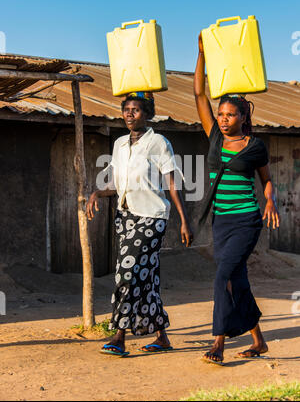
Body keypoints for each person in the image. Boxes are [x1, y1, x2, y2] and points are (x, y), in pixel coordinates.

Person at [194, 33, 280, 365]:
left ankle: (218, 343)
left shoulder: (256, 146)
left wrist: (270, 200)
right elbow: (199, 92)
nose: (222, 119)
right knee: (236, 279)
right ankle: (259, 341)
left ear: (242, 117)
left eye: (229, 115)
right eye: (220, 114)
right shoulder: (214, 136)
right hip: (221, 220)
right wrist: (201, 54)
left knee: (222, 276)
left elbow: (267, 181)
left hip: (246, 219)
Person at [87, 91, 193, 356]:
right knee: (146, 277)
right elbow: (119, 184)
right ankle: (162, 337)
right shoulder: (120, 144)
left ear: (147, 114)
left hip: (152, 217)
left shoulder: (158, 142)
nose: (130, 114)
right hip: (126, 217)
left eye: (136, 110)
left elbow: (171, 184)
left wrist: (183, 220)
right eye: (126, 110)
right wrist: (98, 193)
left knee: (127, 272)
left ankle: (119, 335)